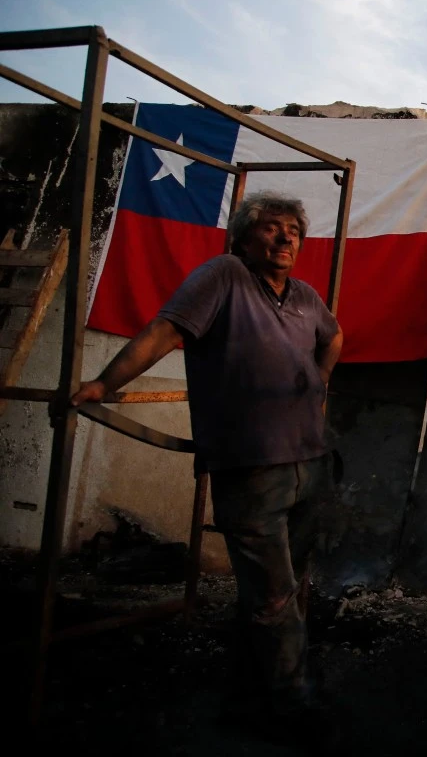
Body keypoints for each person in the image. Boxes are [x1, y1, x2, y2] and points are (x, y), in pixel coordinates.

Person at [71, 192, 344, 737]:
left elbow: (334, 337)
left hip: (311, 461)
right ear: (244, 238)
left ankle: (245, 703)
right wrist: (104, 384)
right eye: (271, 228)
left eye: (292, 229)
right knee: (273, 596)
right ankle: (295, 711)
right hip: (252, 465)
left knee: (284, 592)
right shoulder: (224, 275)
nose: (285, 237)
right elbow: (166, 331)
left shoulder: (305, 295)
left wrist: (319, 385)